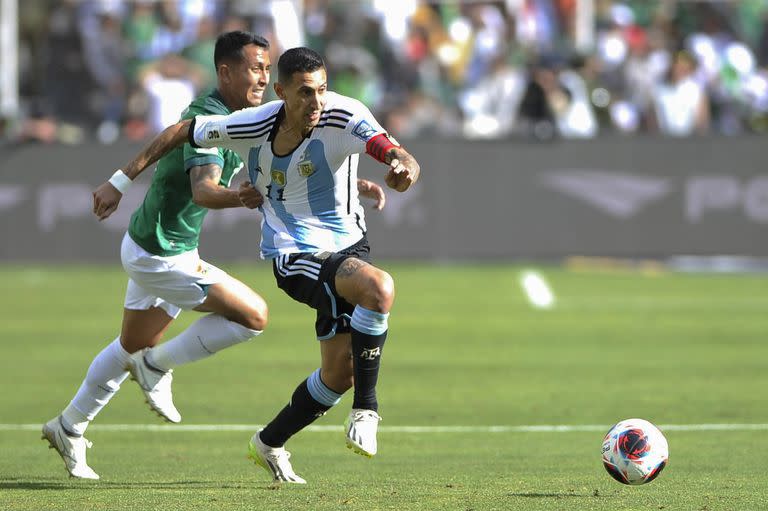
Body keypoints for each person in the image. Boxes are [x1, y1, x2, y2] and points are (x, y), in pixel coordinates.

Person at [42, 32, 386, 481]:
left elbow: (275, 170)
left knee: (129, 342)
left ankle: (69, 425)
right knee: (252, 316)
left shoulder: (250, 117)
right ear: (225, 72)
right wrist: (126, 183)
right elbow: (203, 191)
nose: (262, 78)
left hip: (158, 242)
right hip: (163, 251)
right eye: (254, 68)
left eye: (267, 68)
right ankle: (156, 366)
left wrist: (350, 184)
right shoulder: (210, 115)